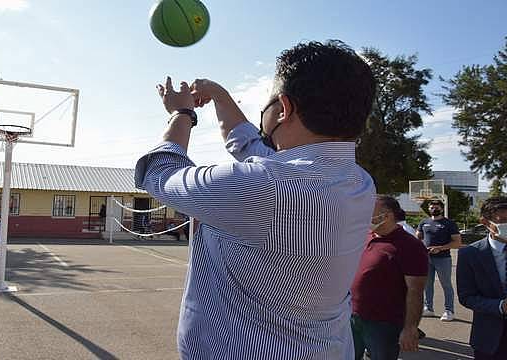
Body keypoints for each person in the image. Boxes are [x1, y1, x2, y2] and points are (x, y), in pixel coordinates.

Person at [135, 41, 376, 358]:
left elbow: (162, 173)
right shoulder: (358, 181)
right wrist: (218, 94)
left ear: (285, 109)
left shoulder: (266, 187)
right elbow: (253, 148)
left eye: (269, 104)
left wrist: (182, 114)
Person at [350, 196, 428, 359]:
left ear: (387, 216)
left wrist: (410, 327)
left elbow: (415, 291)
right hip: (352, 317)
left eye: (369, 212)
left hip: (383, 324)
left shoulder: (410, 246)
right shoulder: (367, 236)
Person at [456, 196, 507, 359]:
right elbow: (466, 297)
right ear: (485, 222)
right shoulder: (470, 254)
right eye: (505, 220)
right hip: (489, 338)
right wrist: (501, 306)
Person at [416, 200, 462, 321]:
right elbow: (417, 239)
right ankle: (428, 308)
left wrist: (440, 248)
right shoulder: (423, 222)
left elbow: (457, 243)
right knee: (427, 284)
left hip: (443, 259)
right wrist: (421, 248)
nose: (433, 209)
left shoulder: (449, 223)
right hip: (426, 258)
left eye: (436, 207)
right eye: (431, 207)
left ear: (442, 209)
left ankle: (449, 310)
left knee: (446, 285)